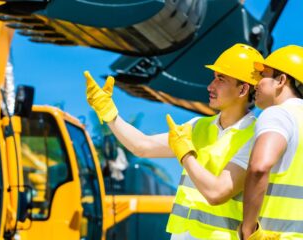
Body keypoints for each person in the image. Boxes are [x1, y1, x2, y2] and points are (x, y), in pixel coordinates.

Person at [85, 43, 263, 239]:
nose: (210, 86)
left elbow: (217, 193)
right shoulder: (198, 127)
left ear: (243, 89)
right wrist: (110, 114)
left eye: (221, 79)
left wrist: (185, 155)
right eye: (214, 78)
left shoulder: (255, 137)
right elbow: (142, 146)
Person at [241, 45, 303, 239]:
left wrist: (248, 229)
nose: (255, 83)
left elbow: (259, 167)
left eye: (263, 75)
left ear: (281, 80)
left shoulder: (278, 114)